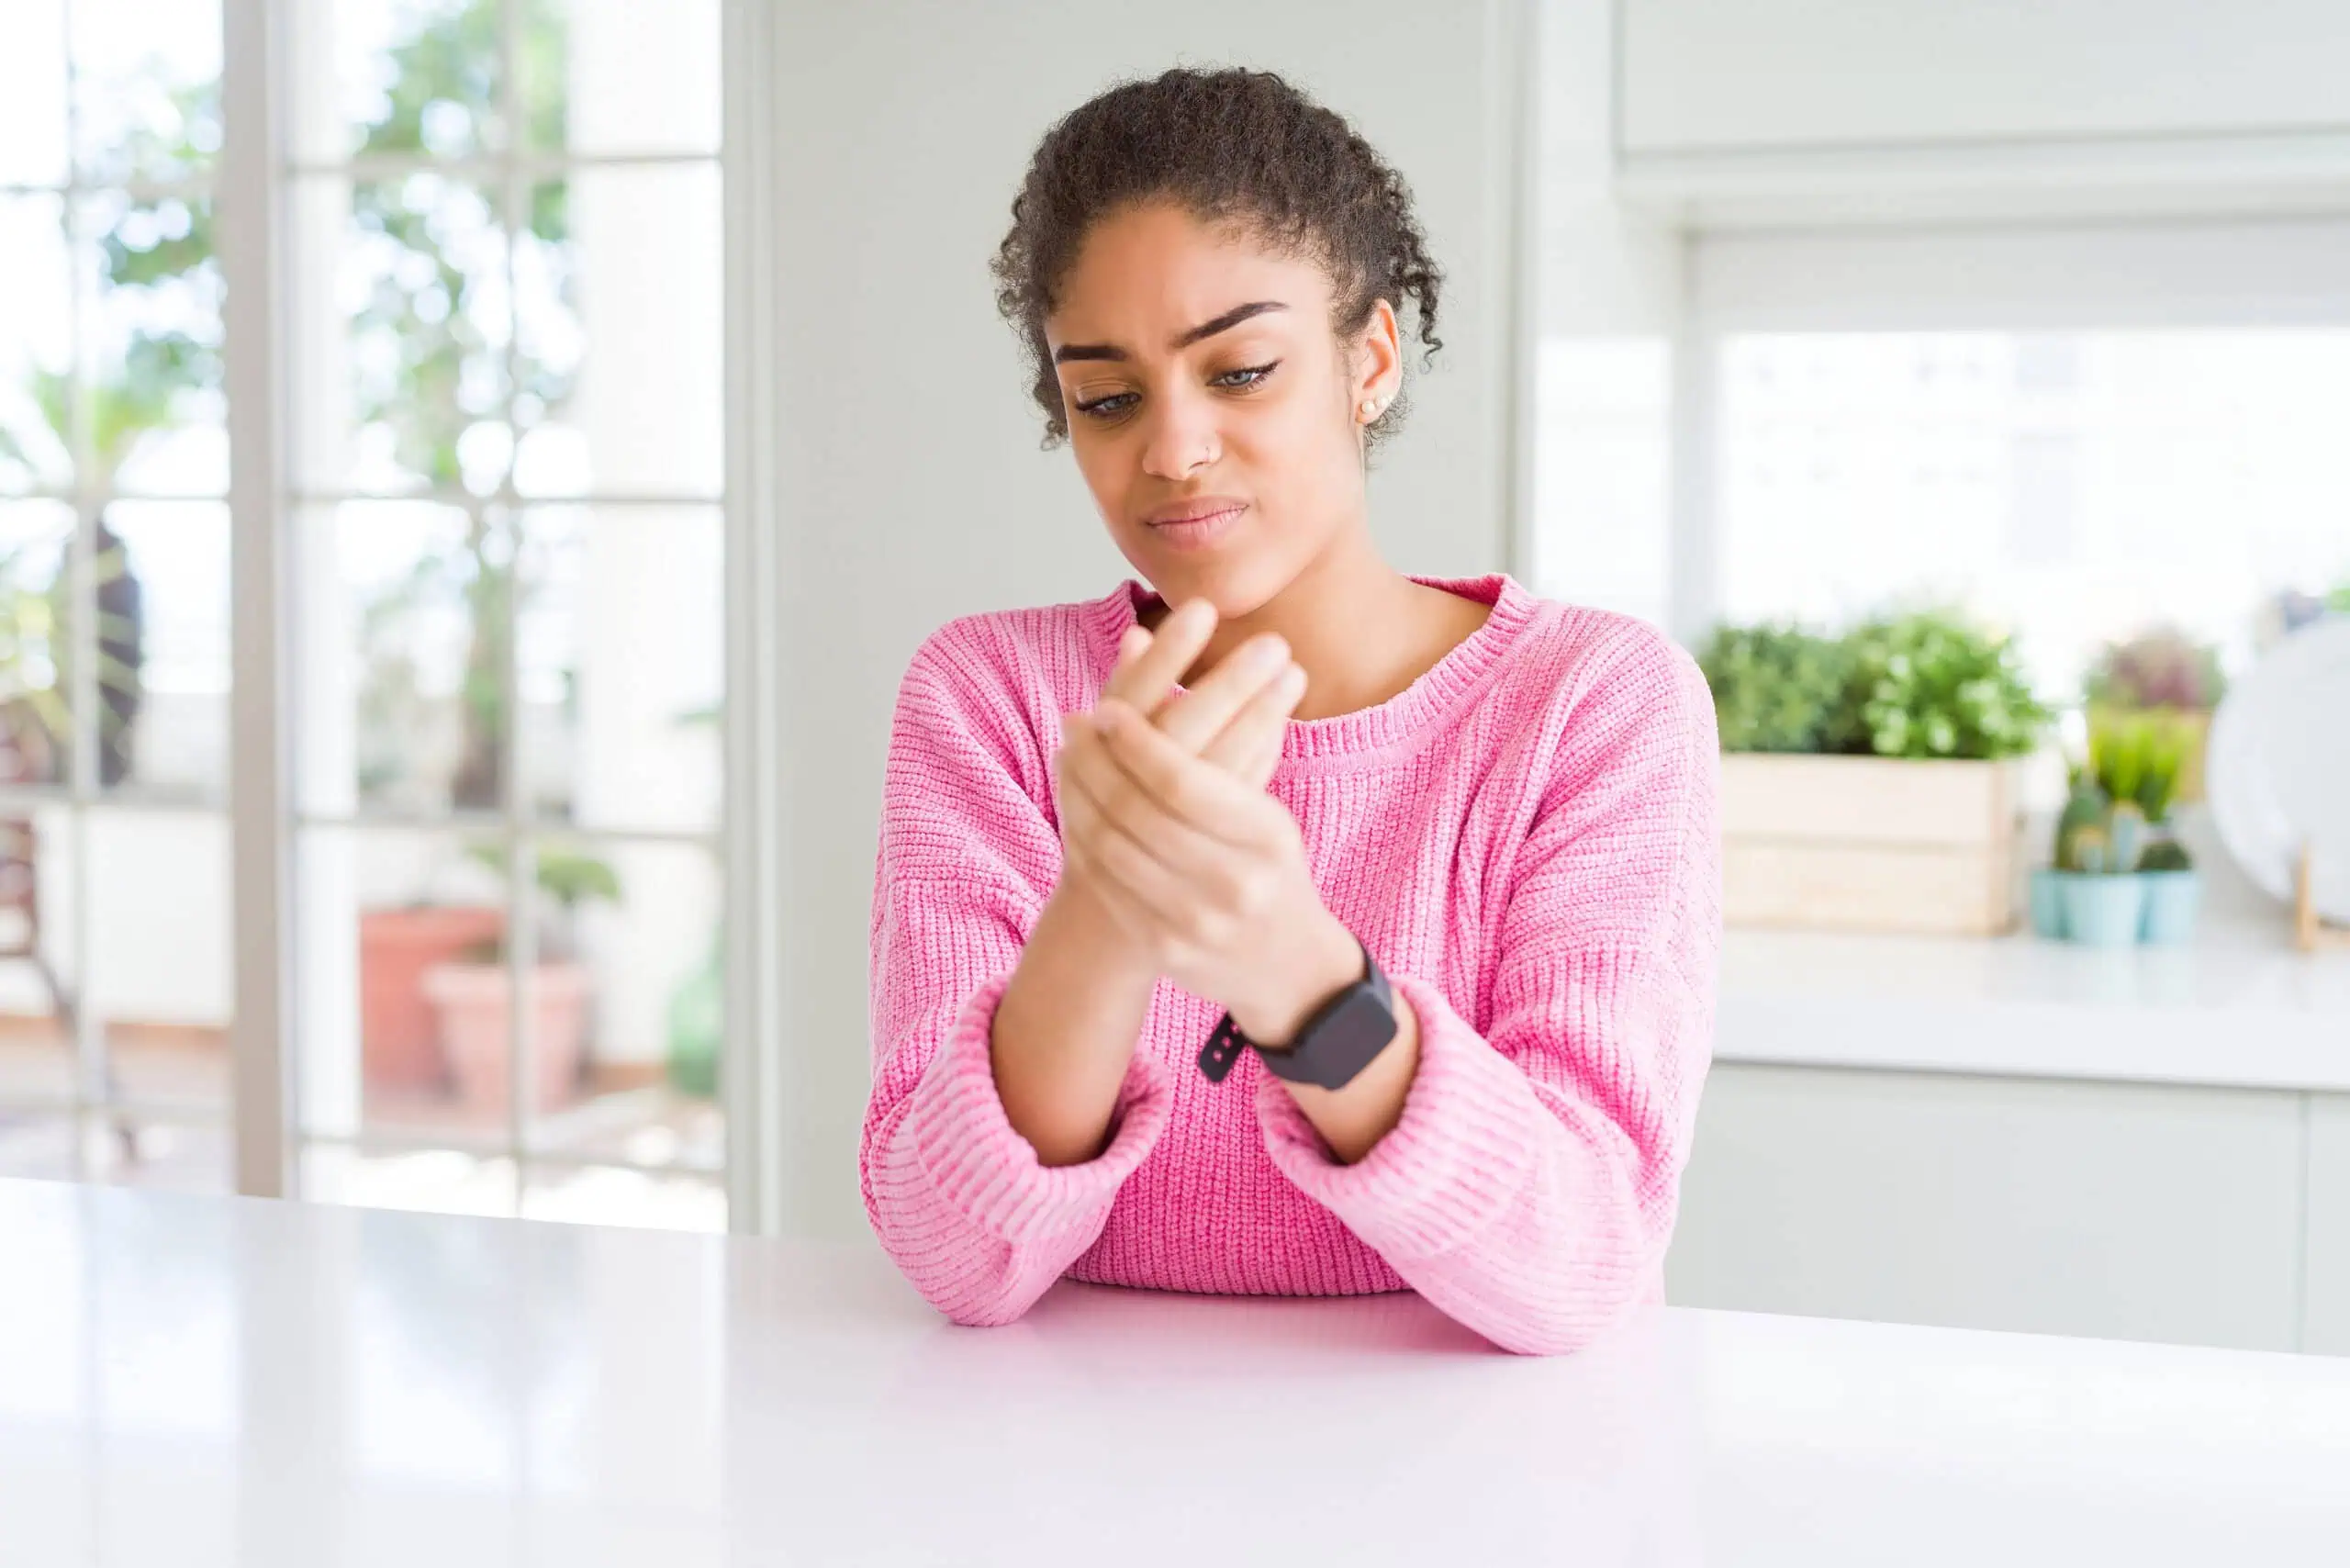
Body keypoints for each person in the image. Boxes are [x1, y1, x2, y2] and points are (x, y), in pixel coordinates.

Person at [862, 67, 1720, 1355]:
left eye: (1244, 370)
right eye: (1107, 397)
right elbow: (953, 1256)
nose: (1175, 448)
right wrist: (1106, 906)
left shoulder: (1587, 706)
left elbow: (1581, 1261)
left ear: (1368, 359)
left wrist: (1299, 976)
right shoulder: (994, 700)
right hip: (1065, 1488)